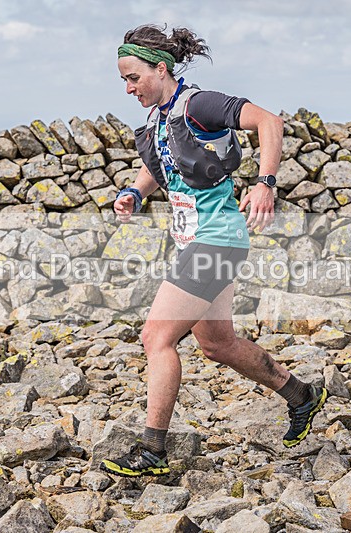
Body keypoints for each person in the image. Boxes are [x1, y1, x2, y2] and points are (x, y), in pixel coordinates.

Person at [100, 24, 327, 477]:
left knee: (156, 338)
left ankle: (151, 452)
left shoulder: (199, 105)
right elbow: (159, 165)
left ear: (160, 70)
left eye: (134, 78)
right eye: (123, 81)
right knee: (217, 343)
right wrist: (136, 191)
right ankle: (301, 395)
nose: (128, 88)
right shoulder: (158, 118)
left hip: (215, 240)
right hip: (196, 240)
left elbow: (269, 122)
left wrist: (265, 184)